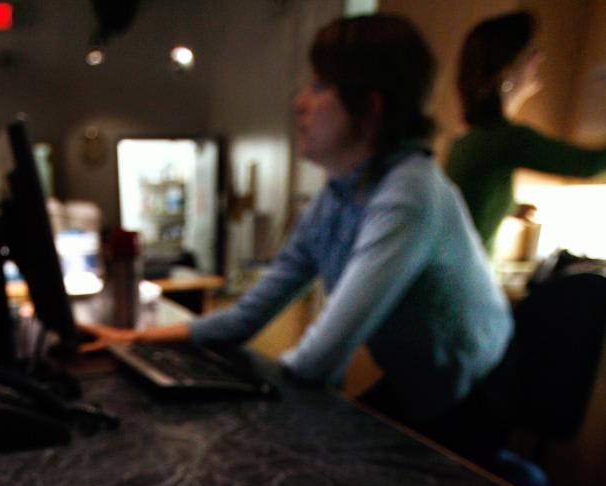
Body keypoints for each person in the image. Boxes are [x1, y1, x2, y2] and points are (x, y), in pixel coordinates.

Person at [87, 14, 513, 462]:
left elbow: (321, 357)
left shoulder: (410, 193)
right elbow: (248, 316)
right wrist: (133, 339)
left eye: (321, 86)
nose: (300, 103)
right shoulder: (338, 194)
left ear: (370, 107)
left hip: (476, 393)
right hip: (420, 381)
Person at [446, 10, 606, 252]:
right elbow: (589, 165)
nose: (539, 57)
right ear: (506, 70)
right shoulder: (504, 138)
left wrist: (514, 209)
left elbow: (477, 201)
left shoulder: (474, 137)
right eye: (531, 51)